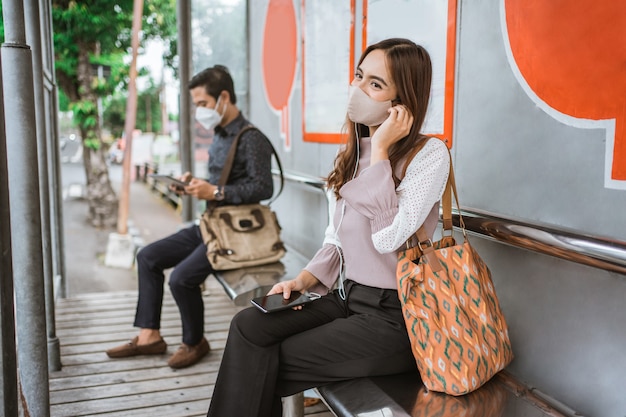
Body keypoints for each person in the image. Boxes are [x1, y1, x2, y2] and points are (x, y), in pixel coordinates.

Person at [206, 38, 451, 416]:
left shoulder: (429, 155)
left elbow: (389, 239)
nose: (357, 89)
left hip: (396, 317)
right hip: (346, 298)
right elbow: (336, 240)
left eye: (375, 84)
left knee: (266, 359)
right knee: (248, 327)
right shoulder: (350, 155)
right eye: (359, 76)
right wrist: (303, 281)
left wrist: (382, 152)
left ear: (402, 102)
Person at [105, 65, 275, 369]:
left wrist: (215, 192)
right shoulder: (221, 134)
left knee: (182, 278)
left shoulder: (251, 137)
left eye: (202, 104)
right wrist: (193, 185)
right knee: (147, 257)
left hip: (235, 233)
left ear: (223, 97)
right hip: (210, 225)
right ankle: (149, 336)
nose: (199, 112)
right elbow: (221, 182)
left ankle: (195, 341)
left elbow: (264, 187)